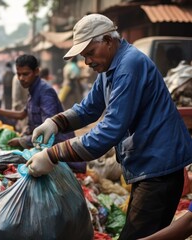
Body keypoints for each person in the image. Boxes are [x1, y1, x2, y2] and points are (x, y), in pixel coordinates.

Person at [26, 14, 192, 239]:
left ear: (107, 40)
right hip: (148, 166)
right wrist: (56, 122)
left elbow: (109, 131)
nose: (87, 62)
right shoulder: (109, 69)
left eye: (90, 53)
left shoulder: (128, 66)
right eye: (84, 56)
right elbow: (88, 109)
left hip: (159, 167)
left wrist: (53, 155)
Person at [0, 54, 86, 173]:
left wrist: (22, 141)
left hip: (61, 156)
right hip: (47, 151)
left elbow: (48, 133)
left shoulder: (45, 92)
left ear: (36, 71)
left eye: (25, 74)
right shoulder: (32, 91)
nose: (21, 78)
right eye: (18, 74)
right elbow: (21, 114)